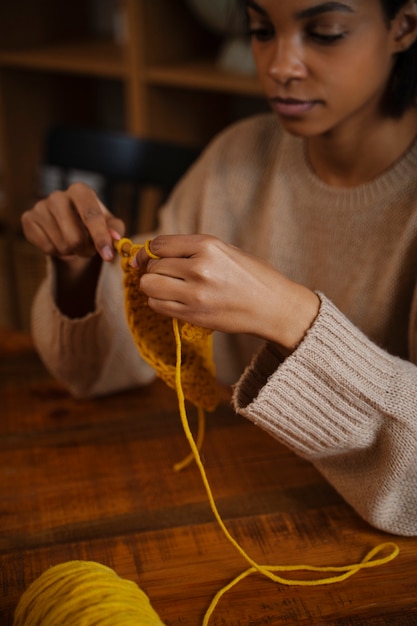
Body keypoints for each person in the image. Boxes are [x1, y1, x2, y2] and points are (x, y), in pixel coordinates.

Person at [21, 0, 417, 537]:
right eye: (260, 30)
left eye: (325, 33)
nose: (280, 65)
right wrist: (79, 275)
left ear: (404, 25)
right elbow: (100, 372)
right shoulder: (235, 159)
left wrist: (290, 315)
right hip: (225, 506)